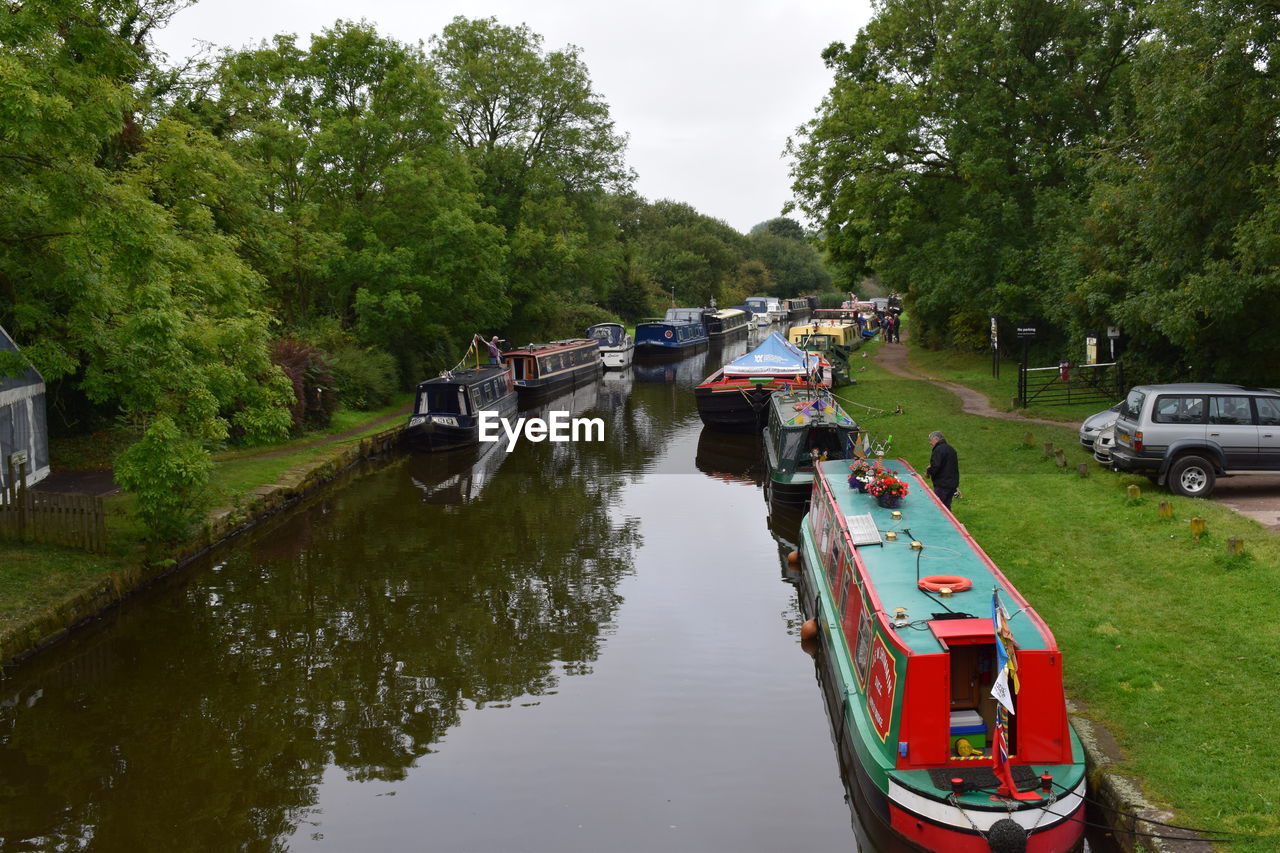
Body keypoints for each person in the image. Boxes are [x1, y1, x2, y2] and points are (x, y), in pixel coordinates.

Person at [925, 430, 959, 509]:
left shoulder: (938, 450)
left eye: (931, 440)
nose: (930, 443)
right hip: (952, 483)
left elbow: (935, 466)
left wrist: (928, 472)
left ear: (936, 439)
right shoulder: (951, 449)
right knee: (946, 507)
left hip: (942, 484)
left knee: (938, 508)